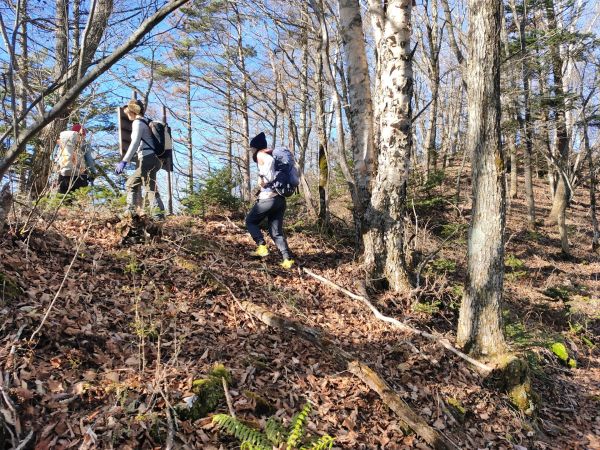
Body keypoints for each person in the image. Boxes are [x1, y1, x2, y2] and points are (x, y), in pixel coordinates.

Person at [245, 132, 294, 269]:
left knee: (250, 221)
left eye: (252, 148)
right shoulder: (273, 155)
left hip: (268, 198)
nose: (251, 152)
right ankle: (287, 260)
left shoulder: (261, 154)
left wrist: (263, 178)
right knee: (276, 232)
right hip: (280, 199)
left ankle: (261, 247)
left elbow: (269, 163)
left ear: (256, 147)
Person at [115, 99, 165, 219]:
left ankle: (132, 212)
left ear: (132, 111)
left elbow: (135, 143)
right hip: (154, 159)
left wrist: (124, 161)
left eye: (128, 112)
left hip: (147, 159)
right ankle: (158, 214)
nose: (127, 115)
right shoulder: (146, 122)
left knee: (135, 184)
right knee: (145, 185)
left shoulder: (137, 123)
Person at [55, 124, 96, 195]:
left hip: (63, 175)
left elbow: (52, 157)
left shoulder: (61, 142)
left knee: (63, 202)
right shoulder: (84, 144)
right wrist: (93, 173)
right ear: (82, 134)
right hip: (80, 176)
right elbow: (89, 160)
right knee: (79, 202)